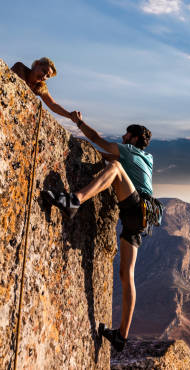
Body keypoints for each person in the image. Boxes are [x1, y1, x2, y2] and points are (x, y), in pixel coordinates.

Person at [43, 112, 153, 352]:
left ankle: (75, 200)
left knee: (114, 167)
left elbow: (96, 139)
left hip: (133, 206)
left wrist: (78, 122)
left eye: (126, 134)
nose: (123, 137)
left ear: (133, 139)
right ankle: (121, 337)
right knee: (127, 275)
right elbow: (105, 155)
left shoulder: (128, 151)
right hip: (140, 219)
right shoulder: (146, 159)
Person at [11, 57, 79, 123]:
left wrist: (70, 116)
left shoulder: (41, 87)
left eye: (47, 76)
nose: (44, 77)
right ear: (36, 64)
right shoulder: (20, 67)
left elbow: (52, 105)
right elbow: (22, 87)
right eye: (43, 71)